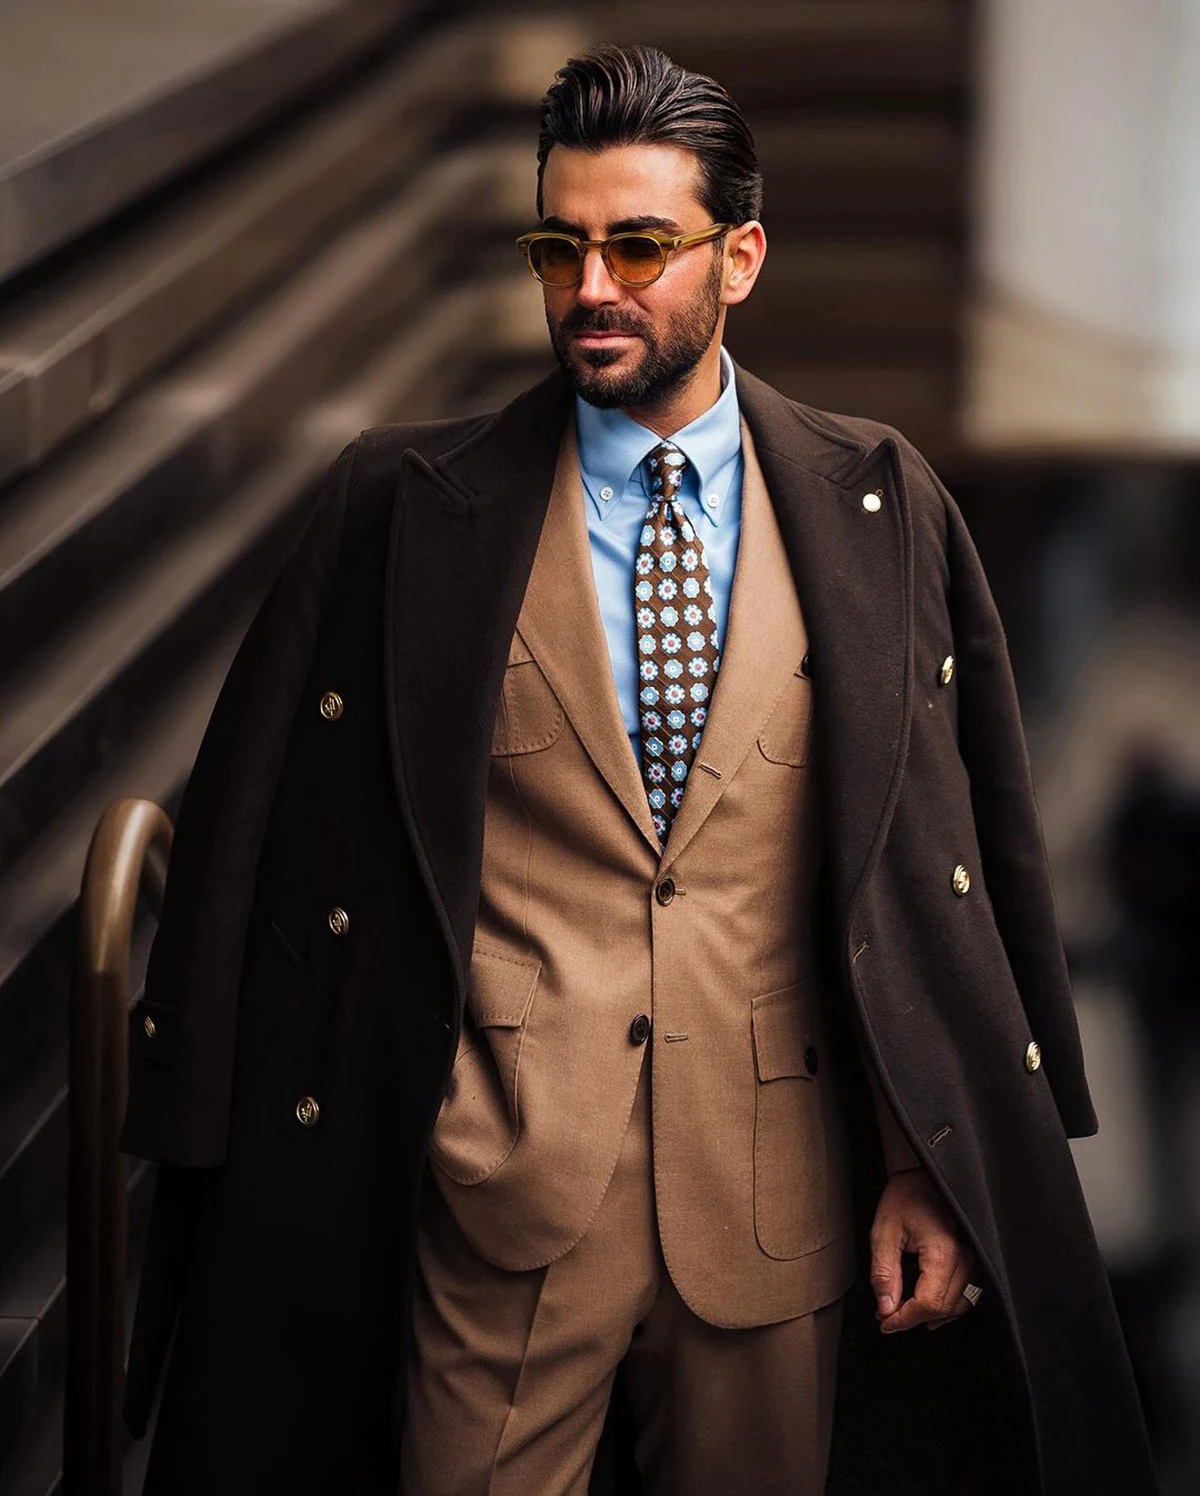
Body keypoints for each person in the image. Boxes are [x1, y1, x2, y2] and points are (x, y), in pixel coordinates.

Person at [120, 43, 1158, 1496]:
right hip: (501, 1202)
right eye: (560, 245)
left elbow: (956, 857)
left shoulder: (878, 505)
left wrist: (924, 1162)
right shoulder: (405, 513)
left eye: (637, 245)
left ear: (740, 257)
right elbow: (259, 841)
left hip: (777, 1214)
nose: (589, 286)